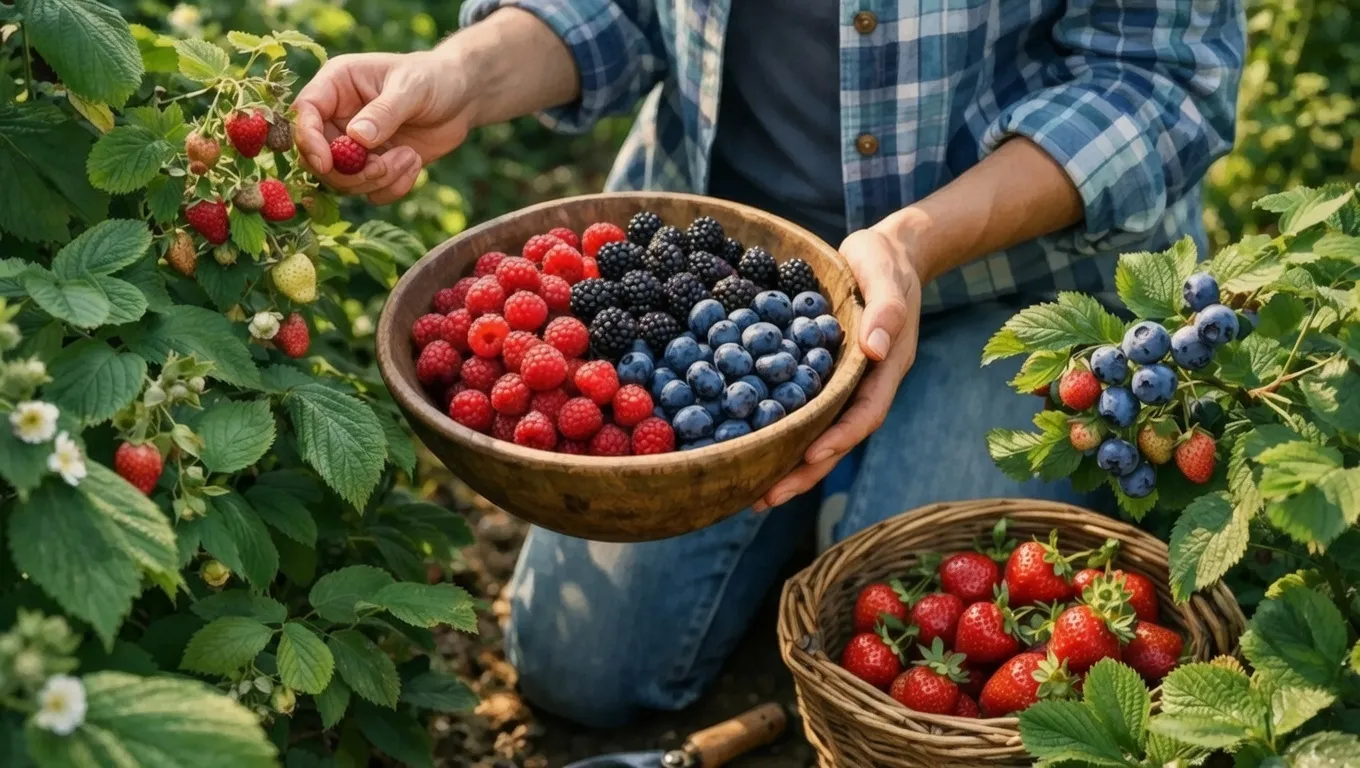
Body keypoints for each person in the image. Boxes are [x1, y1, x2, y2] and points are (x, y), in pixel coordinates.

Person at [295, 1, 1246, 728]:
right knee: (579, 672)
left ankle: (844, 506)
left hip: (1006, 286)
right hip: (717, 288)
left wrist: (914, 243)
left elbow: (1160, 80)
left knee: (904, 659)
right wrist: (458, 74)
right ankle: (805, 508)